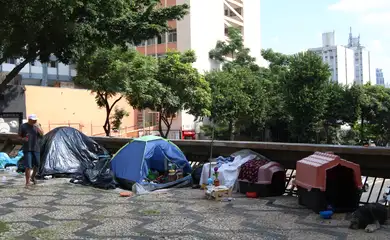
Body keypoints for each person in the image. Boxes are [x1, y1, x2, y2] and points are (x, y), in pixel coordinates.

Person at [18, 114, 44, 186]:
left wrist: (38, 126)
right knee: (28, 166)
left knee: (37, 164)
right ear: (29, 119)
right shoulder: (23, 126)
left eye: (35, 120)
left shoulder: (37, 126)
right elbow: (19, 137)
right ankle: (27, 182)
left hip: (36, 148)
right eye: (33, 120)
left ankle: (33, 177)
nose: (34, 121)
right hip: (27, 148)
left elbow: (42, 135)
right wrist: (23, 139)